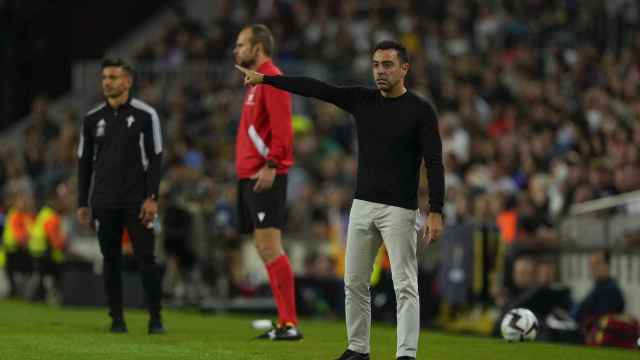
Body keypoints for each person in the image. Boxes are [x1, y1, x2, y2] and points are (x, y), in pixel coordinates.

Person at [237, 39, 445, 360]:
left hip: (401, 210)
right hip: (362, 205)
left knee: (405, 286)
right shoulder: (362, 100)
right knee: (354, 283)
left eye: (387, 65)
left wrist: (436, 210)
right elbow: (315, 88)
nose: (380, 71)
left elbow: (434, 162)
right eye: (376, 64)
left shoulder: (420, 110)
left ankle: (406, 354)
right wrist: (265, 79)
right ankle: (358, 350)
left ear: (404, 68)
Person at [77, 58, 164, 334]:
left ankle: (155, 317)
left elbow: (156, 157)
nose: (107, 82)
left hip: (137, 200)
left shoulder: (145, 115)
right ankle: (117, 319)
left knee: (145, 257)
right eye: (104, 77)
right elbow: (84, 163)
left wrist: (152, 197)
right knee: (110, 259)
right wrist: (82, 202)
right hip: (104, 200)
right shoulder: (92, 119)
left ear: (128, 81)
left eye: (113, 77)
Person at [232, 24, 302, 341]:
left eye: (241, 45)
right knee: (263, 247)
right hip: (250, 176)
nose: (236, 50)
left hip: (266, 175)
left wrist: (273, 165)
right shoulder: (255, 83)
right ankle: (284, 320)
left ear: (258, 47)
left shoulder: (272, 78)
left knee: (270, 246)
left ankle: (290, 323)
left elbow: (282, 129)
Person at [572, 249, 625, 329]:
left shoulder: (611, 291)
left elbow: (601, 320)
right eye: (591, 264)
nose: (593, 268)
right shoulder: (597, 287)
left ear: (607, 265)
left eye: (597, 263)